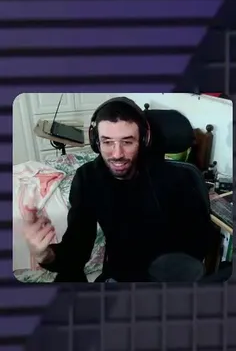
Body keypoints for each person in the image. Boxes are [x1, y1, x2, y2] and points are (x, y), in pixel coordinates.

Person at [21, 97, 220, 282]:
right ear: (96, 142)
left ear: (144, 139)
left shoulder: (177, 178)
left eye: (127, 141)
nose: (117, 154)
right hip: (118, 276)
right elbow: (77, 249)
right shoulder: (88, 177)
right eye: (107, 142)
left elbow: (200, 241)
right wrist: (45, 255)